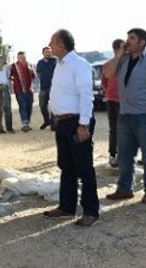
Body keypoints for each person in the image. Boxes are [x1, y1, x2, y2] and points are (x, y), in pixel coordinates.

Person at [42, 29, 99, 226]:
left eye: (52, 41)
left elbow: (86, 96)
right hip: (63, 123)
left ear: (61, 45)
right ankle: (67, 207)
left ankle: (91, 211)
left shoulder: (79, 65)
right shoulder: (60, 64)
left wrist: (83, 125)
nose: (49, 45)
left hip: (77, 123)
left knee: (84, 167)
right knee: (66, 166)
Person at [105, 27, 146, 204]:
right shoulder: (123, 60)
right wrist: (119, 55)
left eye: (132, 38)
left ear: (142, 42)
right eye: (127, 37)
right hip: (124, 115)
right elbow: (109, 74)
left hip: (145, 115)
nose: (128, 41)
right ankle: (125, 189)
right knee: (124, 156)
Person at [102, 39, 125, 168]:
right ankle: (113, 154)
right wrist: (109, 92)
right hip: (113, 100)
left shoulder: (128, 63)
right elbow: (104, 81)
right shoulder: (108, 64)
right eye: (122, 48)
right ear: (116, 49)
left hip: (127, 100)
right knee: (114, 129)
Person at [9, 51, 36, 132]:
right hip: (19, 90)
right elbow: (9, 76)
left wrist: (32, 72)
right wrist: (13, 79)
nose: (22, 59)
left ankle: (27, 122)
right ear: (18, 58)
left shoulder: (30, 65)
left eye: (24, 57)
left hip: (29, 89)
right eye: (21, 57)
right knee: (22, 106)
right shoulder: (13, 66)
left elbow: (34, 76)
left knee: (29, 106)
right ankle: (25, 124)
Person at [36, 46, 57, 130]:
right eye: (46, 52)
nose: (48, 53)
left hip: (54, 88)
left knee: (54, 107)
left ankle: (53, 124)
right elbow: (38, 74)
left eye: (49, 52)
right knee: (42, 106)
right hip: (43, 87)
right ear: (43, 53)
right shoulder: (40, 63)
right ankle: (47, 121)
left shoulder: (55, 61)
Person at [0, 65, 15, 133]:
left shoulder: (7, 67)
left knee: (7, 108)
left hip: (5, 87)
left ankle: (9, 127)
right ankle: (0, 128)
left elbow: (11, 77)